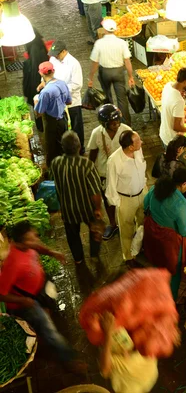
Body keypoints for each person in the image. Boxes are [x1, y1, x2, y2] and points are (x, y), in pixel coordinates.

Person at [0, 221, 79, 367]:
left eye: (34, 236)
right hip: (26, 303)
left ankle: (40, 331)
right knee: (49, 331)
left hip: (38, 291)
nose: (36, 241)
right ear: (21, 242)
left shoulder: (27, 247)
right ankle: (69, 360)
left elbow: (36, 246)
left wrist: (51, 252)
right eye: (31, 239)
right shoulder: (13, 263)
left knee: (46, 314)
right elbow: (1, 294)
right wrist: (23, 301)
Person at [143, 168, 186, 299]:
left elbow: (145, 203)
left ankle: (156, 282)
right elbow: (185, 231)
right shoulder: (181, 203)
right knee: (173, 270)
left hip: (152, 231)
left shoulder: (157, 187)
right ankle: (170, 299)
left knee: (156, 259)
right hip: (168, 240)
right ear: (184, 184)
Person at [51, 131, 103, 264]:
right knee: (94, 230)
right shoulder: (87, 165)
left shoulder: (56, 163)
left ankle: (78, 259)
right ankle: (94, 254)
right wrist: (97, 208)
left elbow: (56, 184)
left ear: (63, 147)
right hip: (87, 208)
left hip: (68, 209)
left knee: (72, 235)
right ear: (79, 147)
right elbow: (95, 191)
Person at [88, 104, 132, 240]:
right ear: (105, 123)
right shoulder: (96, 133)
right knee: (108, 201)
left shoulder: (126, 131)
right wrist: (91, 172)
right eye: (113, 123)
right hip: (104, 174)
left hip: (123, 173)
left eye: (118, 120)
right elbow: (93, 154)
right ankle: (113, 224)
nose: (117, 124)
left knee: (125, 199)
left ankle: (128, 223)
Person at [106, 130, 146, 264]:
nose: (141, 142)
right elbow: (110, 185)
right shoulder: (114, 161)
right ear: (130, 147)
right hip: (126, 199)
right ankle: (129, 256)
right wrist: (119, 204)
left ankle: (141, 248)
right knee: (126, 230)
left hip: (142, 193)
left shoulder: (138, 151)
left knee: (143, 224)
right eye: (138, 141)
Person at [88, 18, 134, 126]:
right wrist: (131, 76)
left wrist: (91, 77)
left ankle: (109, 120)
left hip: (105, 72)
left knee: (107, 96)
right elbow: (127, 61)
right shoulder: (122, 43)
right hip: (119, 72)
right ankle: (126, 124)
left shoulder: (99, 43)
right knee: (122, 99)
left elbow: (94, 62)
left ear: (104, 30)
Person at [99, 312, 158, 393]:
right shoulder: (148, 360)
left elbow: (104, 370)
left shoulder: (119, 364)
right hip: (132, 352)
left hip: (113, 339)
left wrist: (108, 333)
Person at [48, 40, 84, 151]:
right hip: (58, 103)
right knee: (62, 128)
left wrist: (60, 89)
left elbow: (77, 84)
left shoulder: (74, 63)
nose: (55, 57)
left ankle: (79, 150)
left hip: (72, 102)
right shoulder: (53, 59)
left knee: (76, 128)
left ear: (64, 51)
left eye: (57, 54)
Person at [34, 61, 71, 167]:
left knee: (52, 150)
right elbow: (69, 102)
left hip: (51, 124)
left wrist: (36, 101)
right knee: (63, 146)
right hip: (63, 120)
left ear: (41, 73)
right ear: (53, 71)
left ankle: (53, 174)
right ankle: (65, 168)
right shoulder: (62, 83)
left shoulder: (46, 92)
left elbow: (39, 113)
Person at [159, 67, 186, 147]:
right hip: (172, 140)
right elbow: (176, 127)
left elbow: (173, 111)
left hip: (164, 132)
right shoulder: (178, 100)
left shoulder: (168, 86)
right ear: (185, 82)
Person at [22, 27, 49, 131]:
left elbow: (35, 71)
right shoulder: (38, 45)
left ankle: (42, 128)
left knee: (40, 110)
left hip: (37, 86)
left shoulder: (35, 49)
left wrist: (34, 92)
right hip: (40, 84)